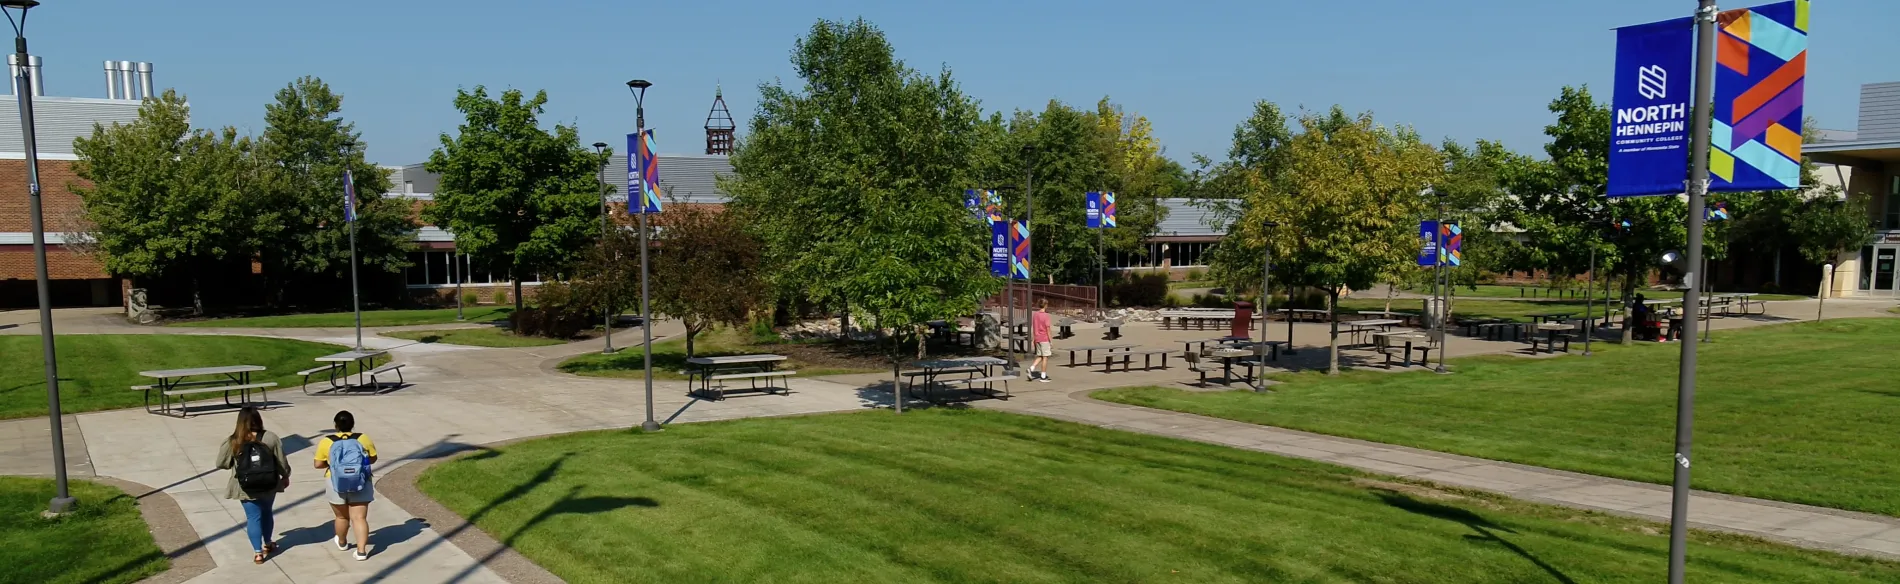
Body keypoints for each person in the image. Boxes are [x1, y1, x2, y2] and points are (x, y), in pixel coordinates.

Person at [214, 406, 290, 565]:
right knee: (267, 512)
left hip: (245, 486)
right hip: (269, 483)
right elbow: (281, 461)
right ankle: (268, 543)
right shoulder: (270, 437)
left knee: (253, 517)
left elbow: (221, 463)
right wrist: (285, 475)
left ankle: (258, 553)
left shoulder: (234, 440)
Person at [315, 410, 379, 561]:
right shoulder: (363, 438)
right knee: (359, 517)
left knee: (341, 516)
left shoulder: (327, 441)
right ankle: (361, 551)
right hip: (360, 480)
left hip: (335, 482)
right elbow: (373, 458)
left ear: (335, 425)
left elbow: (317, 464)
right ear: (353, 424)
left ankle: (342, 542)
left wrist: (332, 465)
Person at [1029, 299, 1053, 382]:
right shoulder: (1046, 316)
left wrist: (1033, 339)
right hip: (1044, 338)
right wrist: (1051, 340)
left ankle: (1031, 368)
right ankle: (1043, 376)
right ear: (1045, 305)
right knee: (1045, 357)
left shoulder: (1035, 315)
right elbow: (1048, 329)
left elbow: (1034, 327)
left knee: (1040, 356)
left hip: (1037, 338)